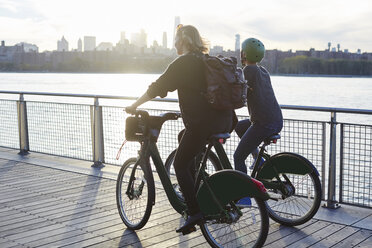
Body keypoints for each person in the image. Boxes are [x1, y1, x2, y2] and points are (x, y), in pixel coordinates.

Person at [126, 24, 235, 234]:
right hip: (224, 120)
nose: (174, 44)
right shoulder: (207, 60)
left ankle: (194, 212)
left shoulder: (184, 62)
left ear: (183, 40)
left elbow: (157, 87)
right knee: (183, 136)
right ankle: (195, 189)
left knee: (179, 164)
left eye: (176, 40)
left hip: (202, 124)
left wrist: (135, 105)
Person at [234, 38, 283, 205]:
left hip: (263, 124)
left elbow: (239, 95)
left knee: (238, 157)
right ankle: (258, 159)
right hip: (275, 119)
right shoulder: (263, 71)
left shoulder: (248, 70)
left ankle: (243, 196)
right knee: (239, 126)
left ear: (244, 53)